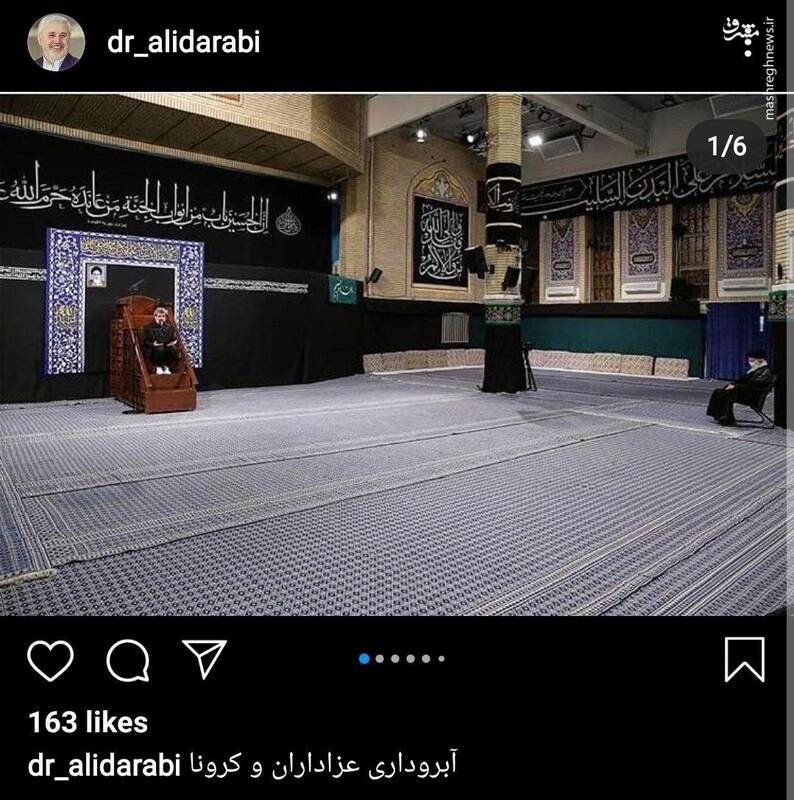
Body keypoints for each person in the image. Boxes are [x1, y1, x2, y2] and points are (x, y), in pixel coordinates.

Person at [707, 349, 774, 426]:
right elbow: (744, 381)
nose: (750, 363)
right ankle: (719, 415)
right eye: (749, 361)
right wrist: (732, 385)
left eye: (752, 361)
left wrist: (735, 386)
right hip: (745, 392)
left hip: (752, 396)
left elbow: (754, 385)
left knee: (724, 394)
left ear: (760, 360)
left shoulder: (765, 371)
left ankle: (726, 418)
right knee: (718, 391)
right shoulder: (756, 369)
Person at [142, 306, 180, 375]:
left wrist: (173, 342)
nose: (161, 318)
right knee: (160, 349)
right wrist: (153, 344)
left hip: (166, 346)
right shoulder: (148, 327)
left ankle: (166, 367)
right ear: (155, 316)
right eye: (159, 316)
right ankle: (158, 367)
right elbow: (145, 341)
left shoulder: (169, 327)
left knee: (173, 349)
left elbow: (173, 339)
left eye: (163, 316)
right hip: (154, 348)